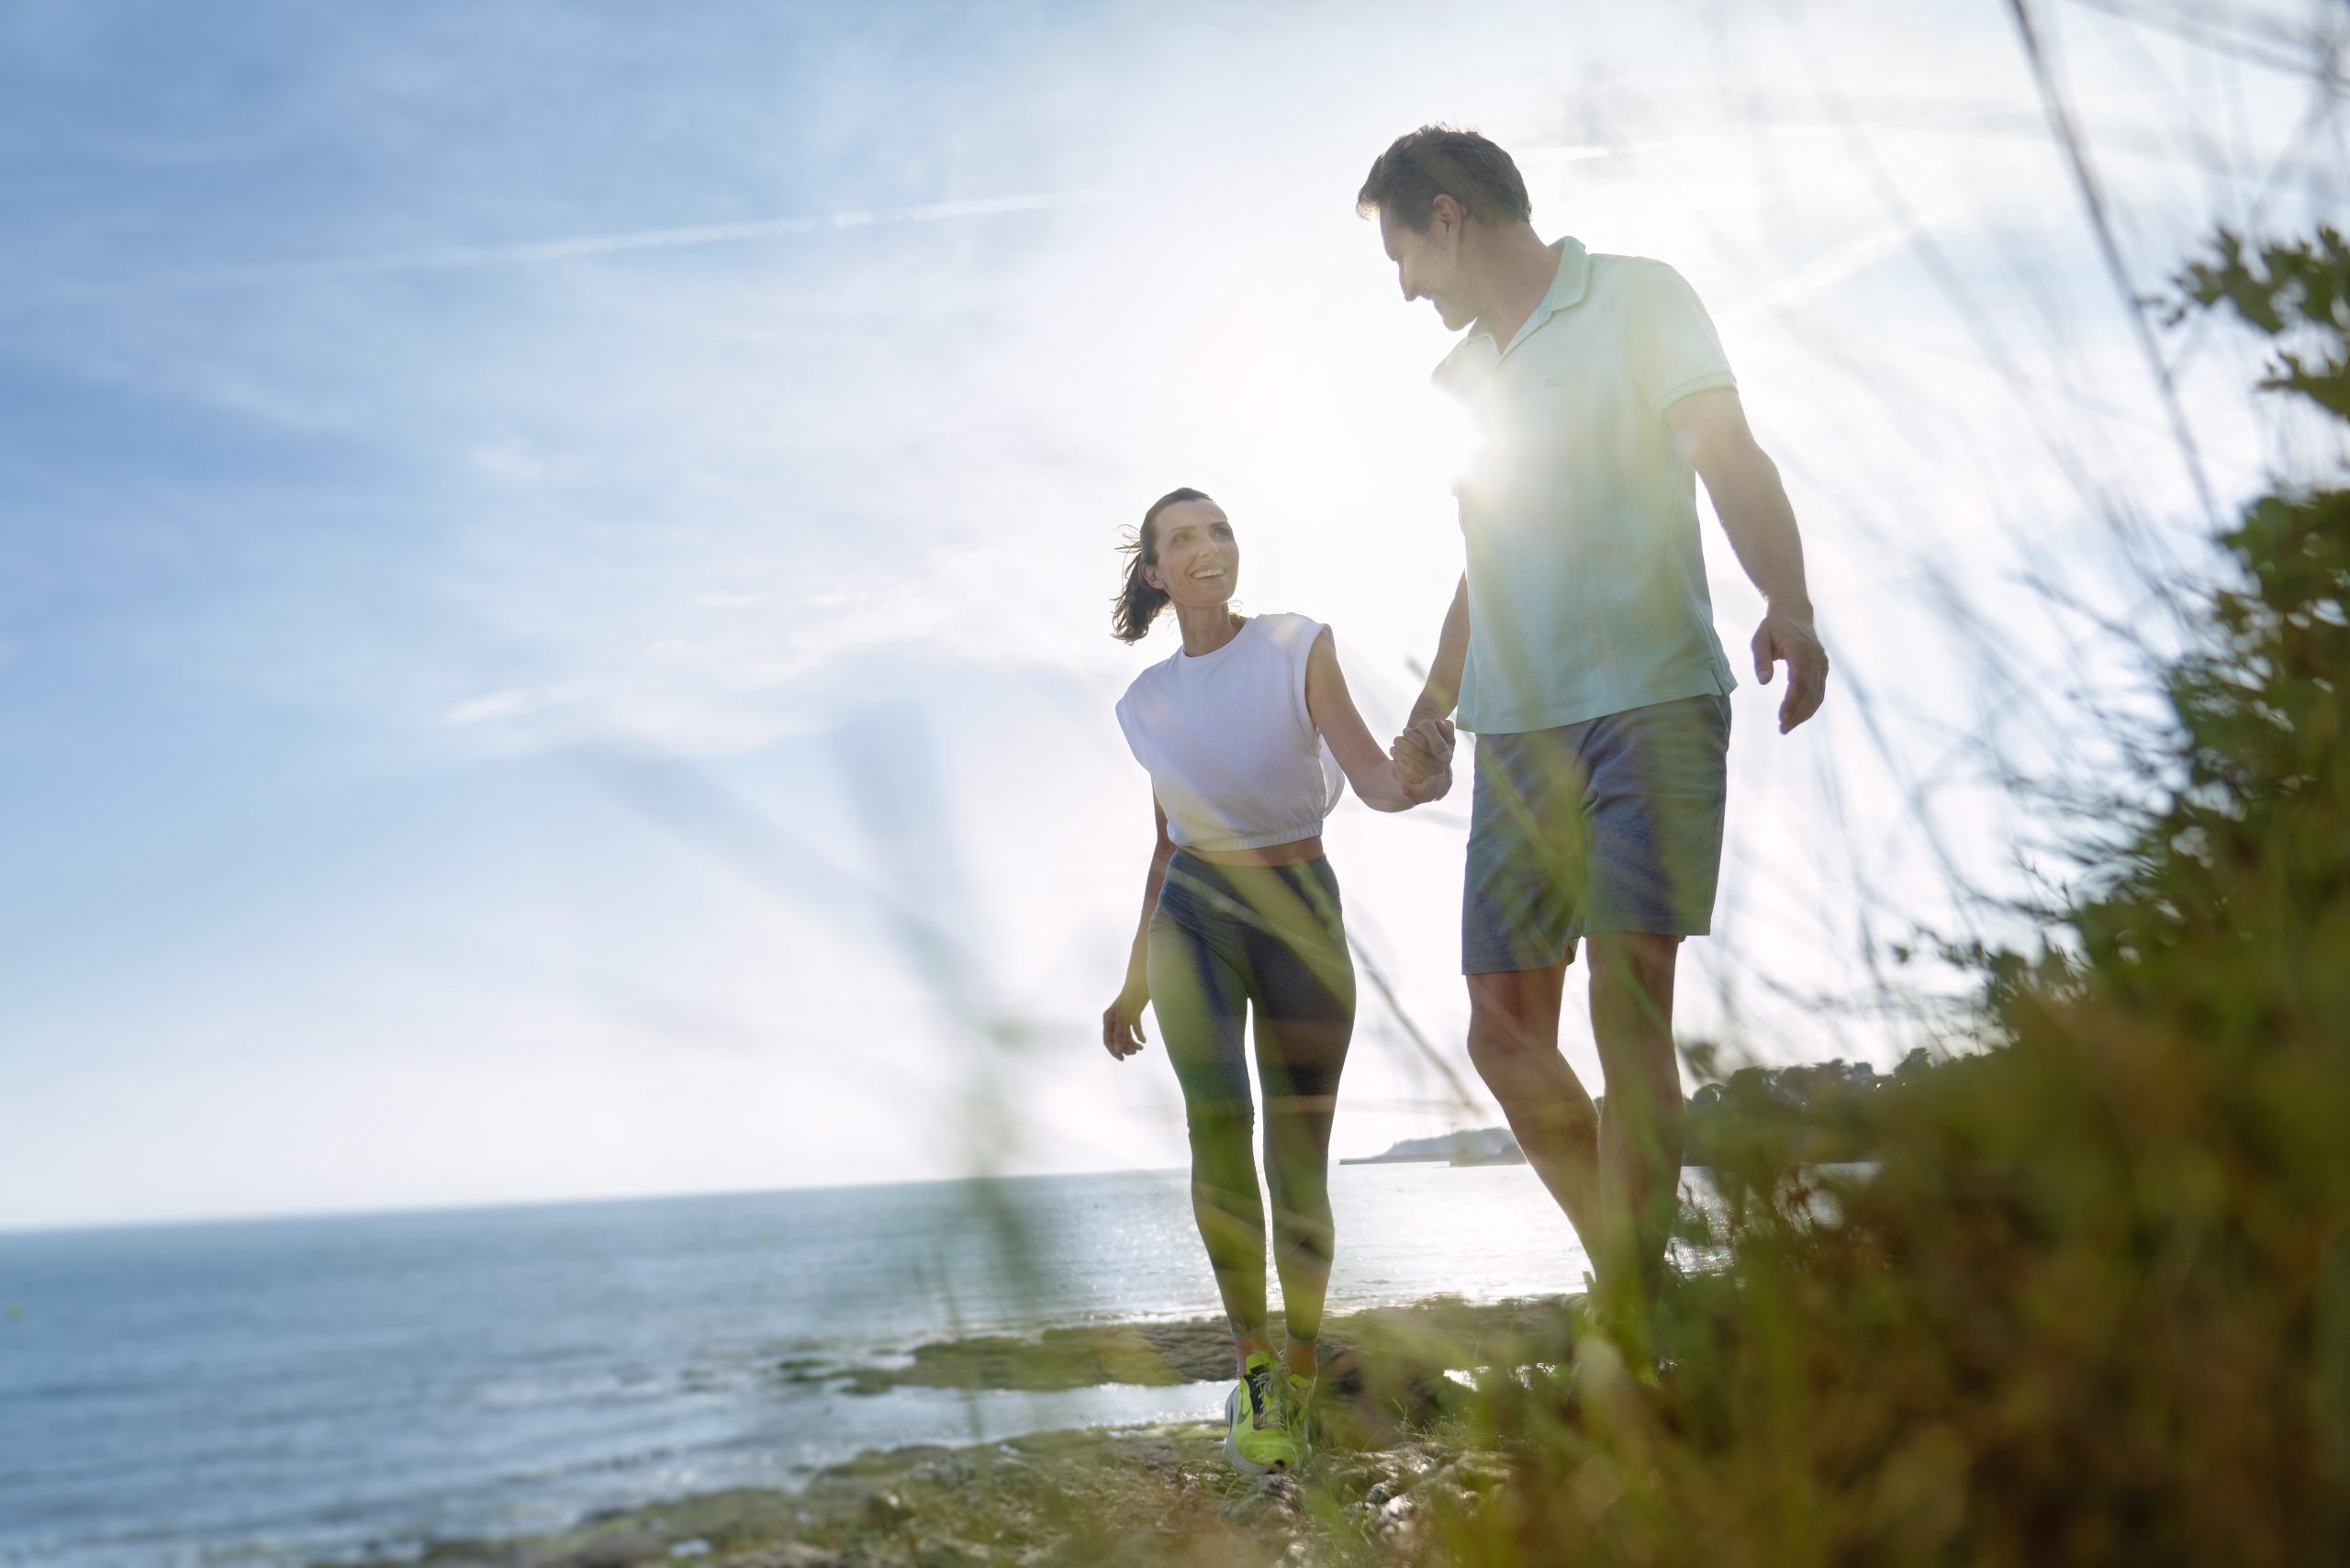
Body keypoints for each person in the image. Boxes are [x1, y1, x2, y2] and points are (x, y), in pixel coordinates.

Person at [1357, 126, 1830, 1348]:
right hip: (1516, 733)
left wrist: (1787, 599)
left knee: (1629, 1020)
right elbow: (1486, 551)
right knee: (1503, 1034)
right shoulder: (1463, 381)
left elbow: (1726, 451)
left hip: (1652, 702)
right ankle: (1638, 1279)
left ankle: (1627, 1318)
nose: (1403, 286)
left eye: (1403, 253)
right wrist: (1435, 702)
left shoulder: (1639, 296)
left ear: (1450, 219)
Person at [1101, 487, 1455, 1473]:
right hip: (1195, 916)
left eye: (1218, 529)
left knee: (1298, 1155)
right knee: (1217, 1121)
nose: (1208, 548)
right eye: (1182, 538)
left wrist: (1418, 775)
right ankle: (1253, 1366)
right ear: (1156, 573)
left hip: (1299, 907)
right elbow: (1167, 838)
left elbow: (1377, 781)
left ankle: (1297, 1369)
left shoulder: (1300, 645)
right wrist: (1133, 973)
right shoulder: (1143, 704)